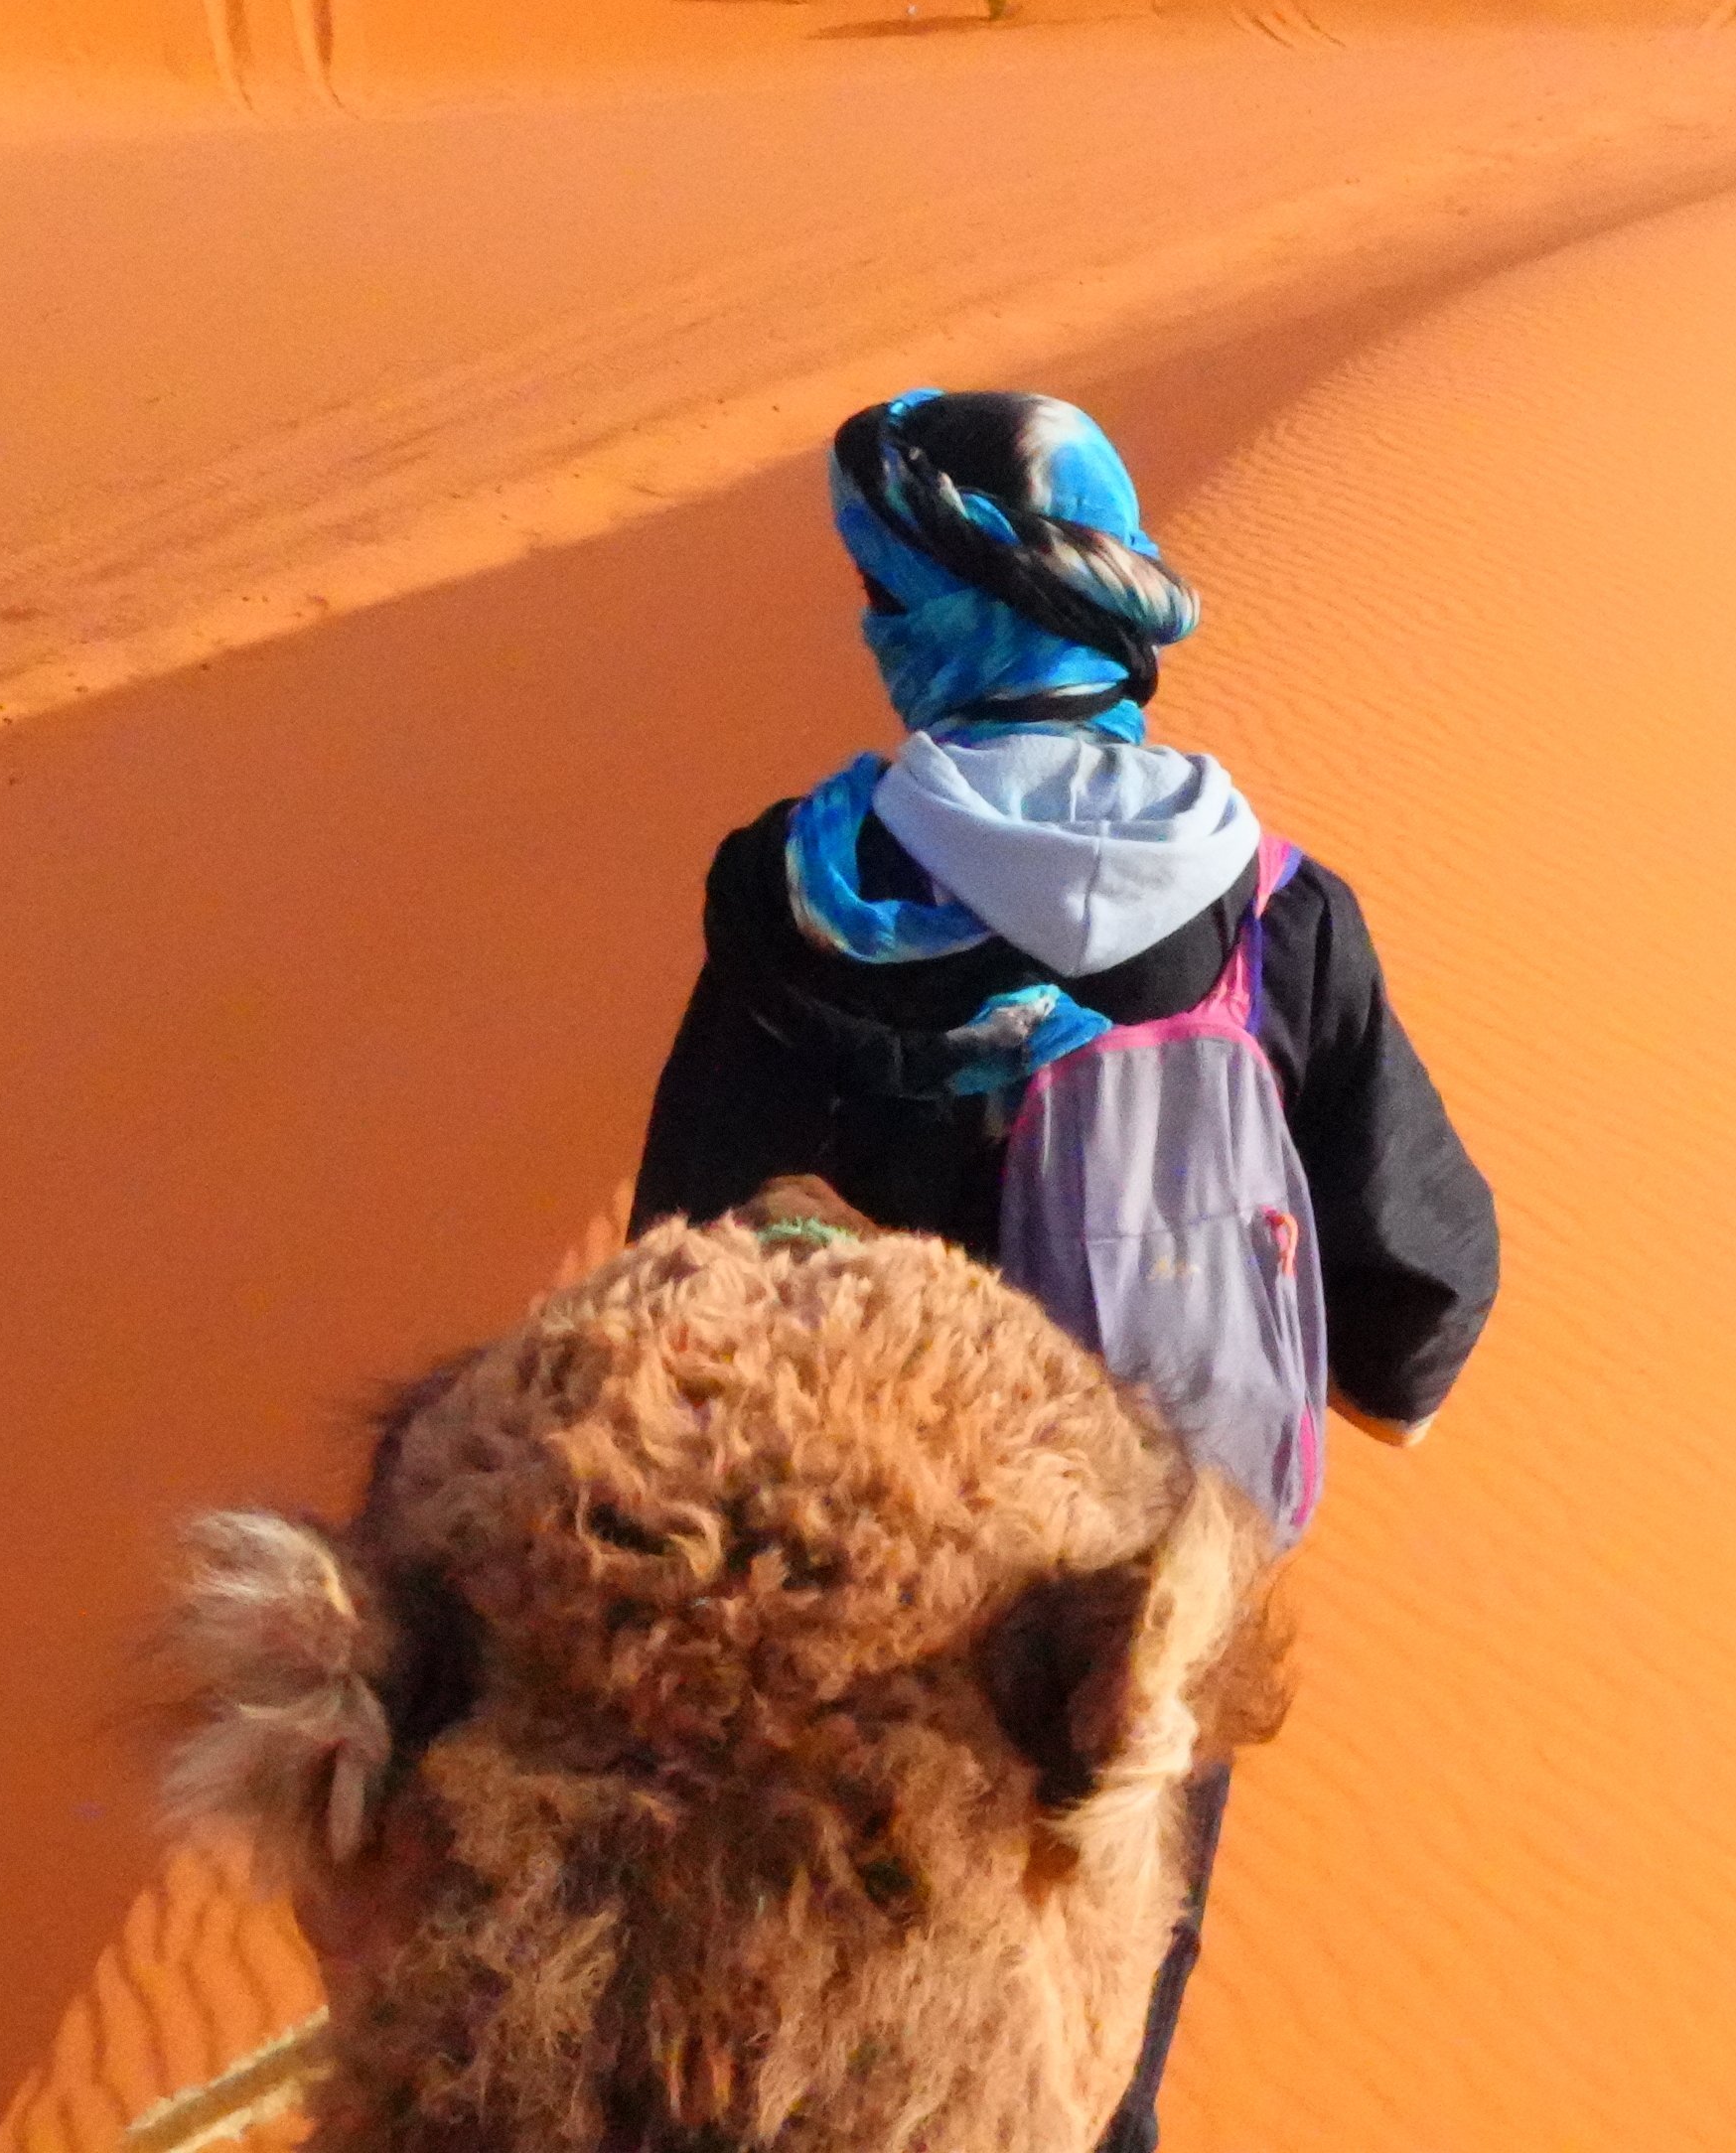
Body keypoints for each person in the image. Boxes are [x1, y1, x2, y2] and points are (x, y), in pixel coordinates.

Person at [635, 387, 1497, 2153]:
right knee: (1091, 2051)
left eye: (887, 596)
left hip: (847, 1632)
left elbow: (685, 1256)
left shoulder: (799, 899)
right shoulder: (1271, 914)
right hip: (1147, 1617)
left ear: (960, 609)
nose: (877, 634)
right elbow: (1420, 1278)